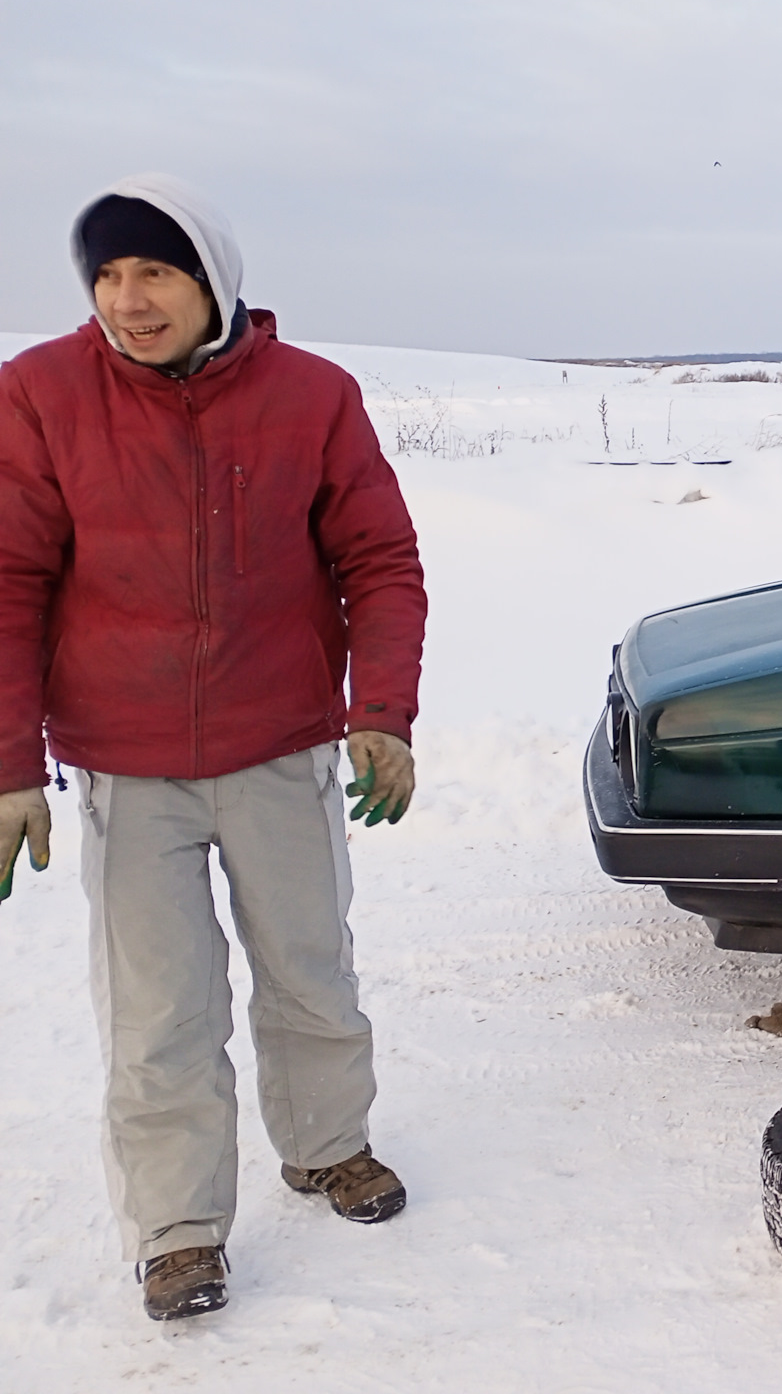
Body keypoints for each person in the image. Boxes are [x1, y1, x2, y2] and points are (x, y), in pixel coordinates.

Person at [0, 174, 428, 1321]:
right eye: (106, 277)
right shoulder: (39, 395)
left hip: (279, 746)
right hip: (127, 766)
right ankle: (178, 1230)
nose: (128, 301)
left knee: (309, 971)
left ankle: (327, 1146)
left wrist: (381, 710)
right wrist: (8, 766)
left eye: (155, 273)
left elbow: (379, 561)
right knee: (159, 1011)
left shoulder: (312, 397)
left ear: (213, 280)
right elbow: (9, 581)